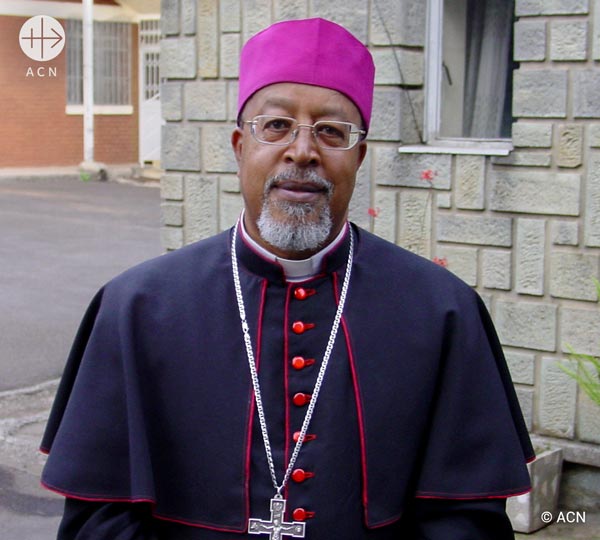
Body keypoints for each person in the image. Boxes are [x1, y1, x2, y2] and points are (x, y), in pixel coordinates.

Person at [40, 18, 534, 540]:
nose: (303, 151)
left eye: (331, 131)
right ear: (238, 147)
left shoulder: (443, 312)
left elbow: (466, 521)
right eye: (275, 126)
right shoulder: (135, 308)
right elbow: (100, 520)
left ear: (358, 157)